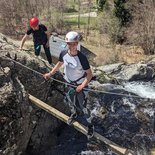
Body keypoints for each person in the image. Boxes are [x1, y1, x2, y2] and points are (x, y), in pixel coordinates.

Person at [43, 31, 94, 138]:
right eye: (70, 44)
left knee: (84, 107)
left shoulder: (82, 58)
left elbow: (89, 75)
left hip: (80, 85)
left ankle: (90, 125)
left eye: (74, 43)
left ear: (77, 43)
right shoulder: (63, 53)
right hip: (69, 83)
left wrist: (82, 86)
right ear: (67, 43)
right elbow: (59, 63)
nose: (72, 46)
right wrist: (50, 73)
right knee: (71, 102)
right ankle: (74, 115)